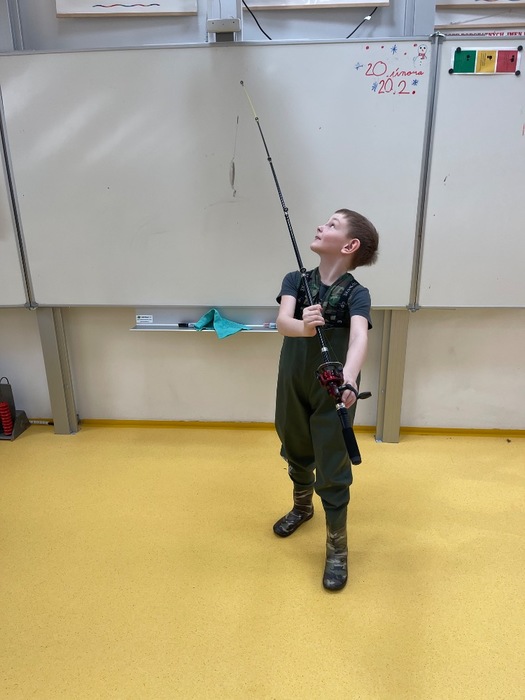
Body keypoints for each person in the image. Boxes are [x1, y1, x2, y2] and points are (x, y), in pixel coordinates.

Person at [273, 208, 379, 591]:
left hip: (333, 385)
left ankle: (337, 547)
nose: (321, 225)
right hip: (293, 376)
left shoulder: (357, 293)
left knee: (332, 459)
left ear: (350, 246)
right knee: (294, 442)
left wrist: (349, 376)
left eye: (332, 224)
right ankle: (302, 506)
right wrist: (304, 326)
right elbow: (283, 322)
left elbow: (359, 335)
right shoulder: (295, 279)